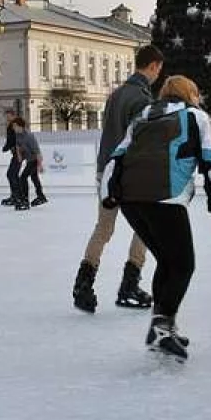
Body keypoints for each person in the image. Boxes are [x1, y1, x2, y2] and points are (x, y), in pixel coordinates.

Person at [100, 75, 211, 361]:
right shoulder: (197, 117)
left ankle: (163, 325)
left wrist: (108, 194)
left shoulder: (143, 116)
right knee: (183, 265)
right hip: (165, 198)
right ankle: (161, 326)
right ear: (191, 93)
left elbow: (116, 157)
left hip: (131, 200)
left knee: (168, 262)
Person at [72, 45, 163, 314]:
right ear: (154, 66)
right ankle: (130, 283)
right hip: (129, 175)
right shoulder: (142, 100)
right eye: (159, 69)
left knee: (104, 228)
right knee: (147, 227)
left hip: (106, 171)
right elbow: (141, 141)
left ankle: (83, 286)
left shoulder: (116, 96)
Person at [11, 118, 45, 211]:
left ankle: (25, 200)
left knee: (23, 177)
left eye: (15, 126)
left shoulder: (29, 136)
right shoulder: (18, 135)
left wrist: (40, 165)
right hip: (29, 160)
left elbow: (37, 152)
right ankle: (41, 196)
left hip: (34, 160)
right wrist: (19, 154)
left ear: (20, 126)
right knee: (34, 177)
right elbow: (18, 145)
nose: (13, 128)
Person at [0, 110, 22, 207]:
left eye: (9, 116)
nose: (7, 118)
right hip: (16, 153)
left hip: (19, 153)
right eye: (6, 116)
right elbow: (10, 139)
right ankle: (16, 195)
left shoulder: (15, 125)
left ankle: (16, 196)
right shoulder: (11, 125)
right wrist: (6, 146)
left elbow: (15, 139)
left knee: (11, 174)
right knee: (13, 175)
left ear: (13, 115)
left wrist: (7, 146)